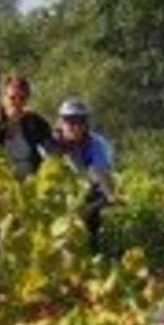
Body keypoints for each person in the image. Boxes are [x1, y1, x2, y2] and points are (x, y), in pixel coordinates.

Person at [53, 98, 118, 250]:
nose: (75, 126)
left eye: (80, 121)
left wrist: (111, 196)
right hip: (57, 192)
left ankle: (92, 248)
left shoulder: (95, 144)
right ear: (61, 122)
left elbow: (102, 172)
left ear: (86, 124)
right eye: (70, 121)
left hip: (84, 190)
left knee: (93, 210)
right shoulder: (50, 141)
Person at [0, 73, 54, 178]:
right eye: (12, 98)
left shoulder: (37, 123)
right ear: (3, 98)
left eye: (22, 98)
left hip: (32, 184)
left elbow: (49, 148)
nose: (17, 102)